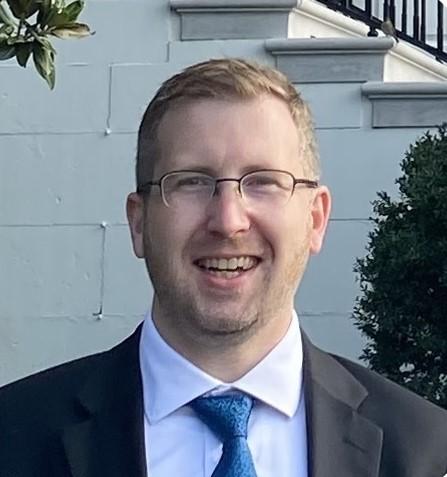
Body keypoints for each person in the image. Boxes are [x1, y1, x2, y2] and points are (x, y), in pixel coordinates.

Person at [0, 58, 446, 477]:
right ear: (139, 223)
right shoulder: (14, 436)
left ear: (315, 219)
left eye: (264, 182)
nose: (228, 221)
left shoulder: (427, 450)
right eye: (192, 182)